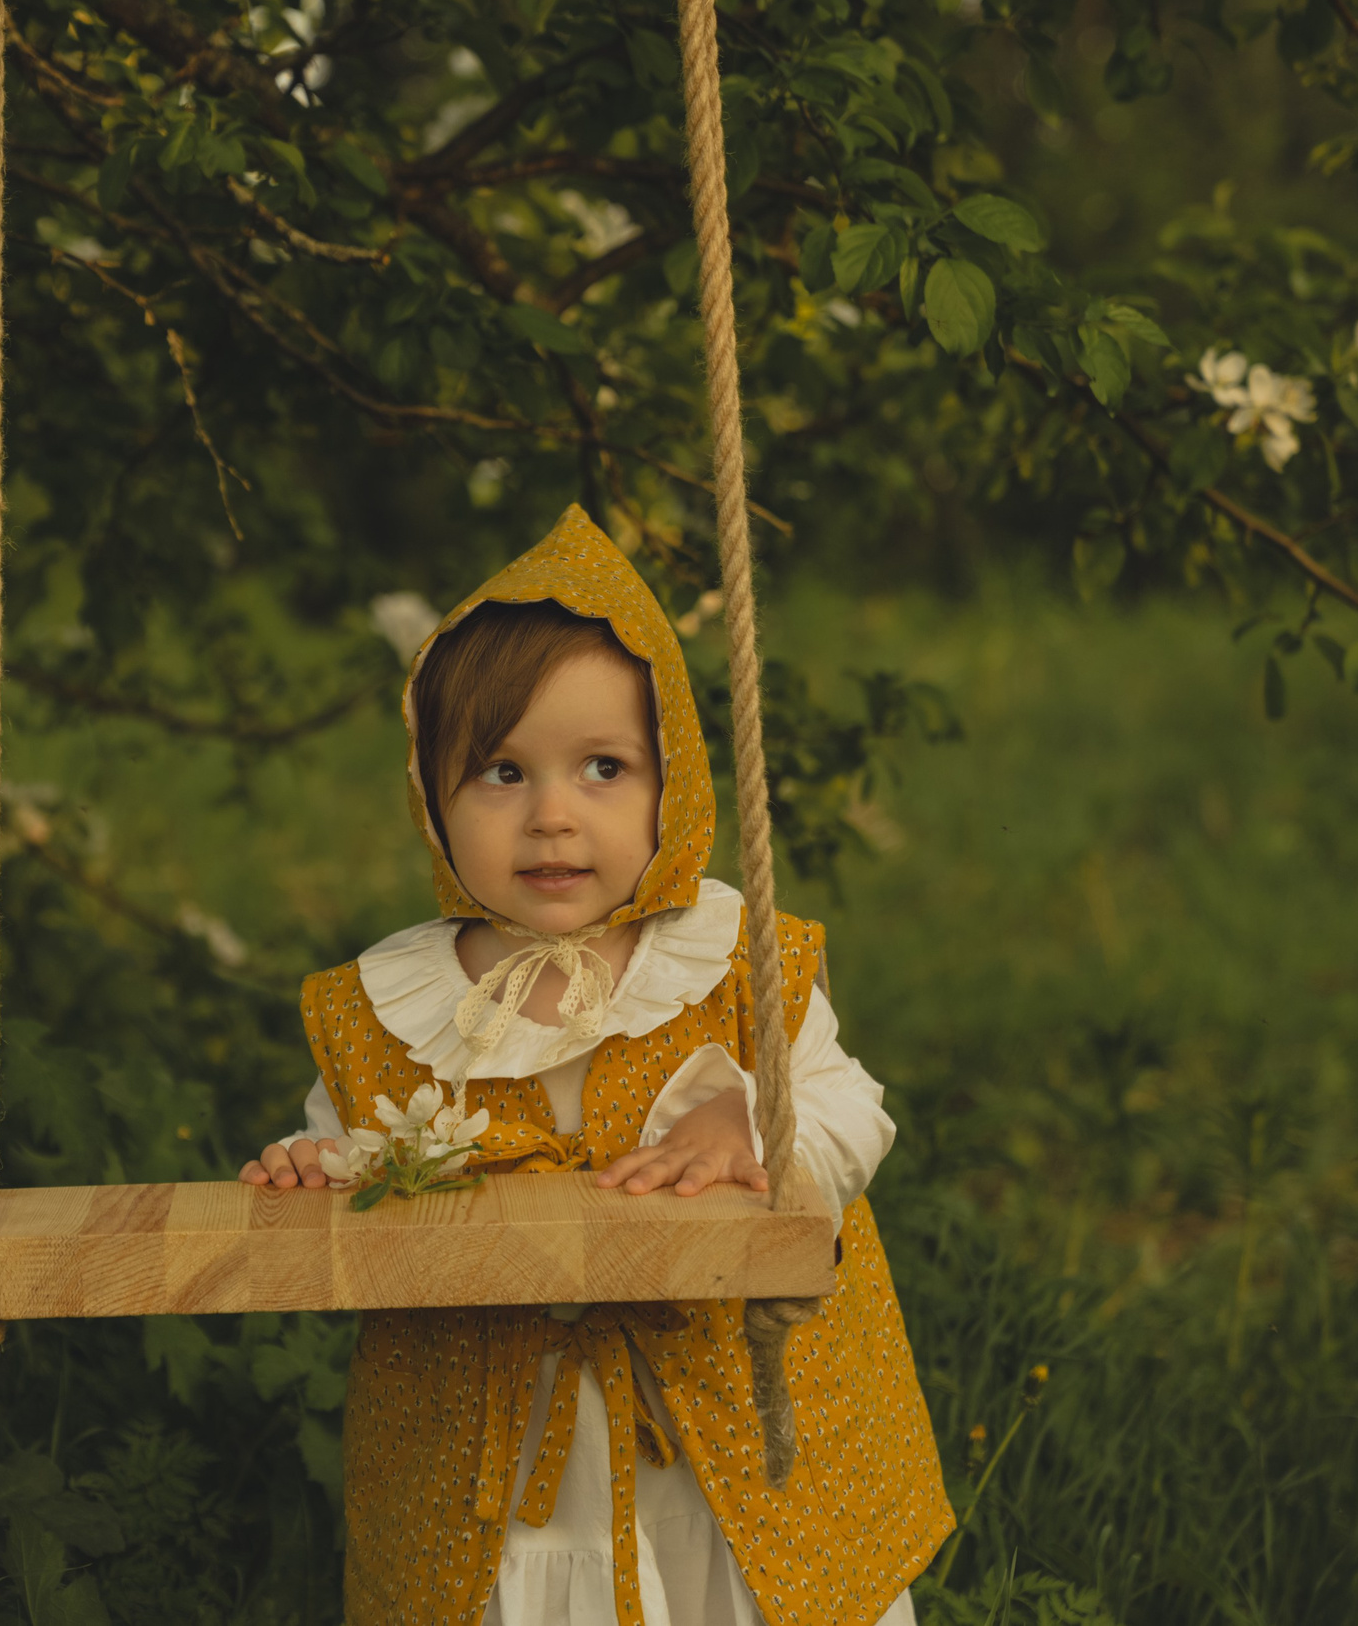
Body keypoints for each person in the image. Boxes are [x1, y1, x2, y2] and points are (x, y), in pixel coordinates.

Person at [240, 507, 950, 1626]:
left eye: (603, 769)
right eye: (502, 774)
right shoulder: (391, 1005)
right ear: (431, 795)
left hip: (721, 1437)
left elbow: (850, 1108)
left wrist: (755, 1130)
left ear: (674, 784)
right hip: (508, 1458)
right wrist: (316, 1168)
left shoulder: (728, 959)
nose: (553, 818)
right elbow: (362, 1155)